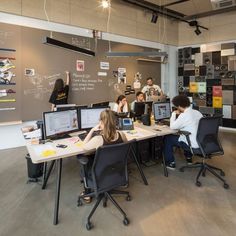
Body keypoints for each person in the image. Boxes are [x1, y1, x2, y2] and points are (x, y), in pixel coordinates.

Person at [79, 109, 128, 203]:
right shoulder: (122, 134)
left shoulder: (99, 139)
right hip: (117, 172)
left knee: (85, 159)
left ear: (101, 122)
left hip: (100, 175)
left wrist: (92, 130)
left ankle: (87, 193)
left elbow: (83, 148)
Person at [163, 95, 203, 170]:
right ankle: (189, 158)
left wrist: (174, 114)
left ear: (179, 106)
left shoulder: (184, 115)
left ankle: (170, 163)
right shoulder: (197, 112)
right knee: (185, 136)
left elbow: (172, 127)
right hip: (202, 142)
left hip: (193, 144)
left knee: (168, 138)